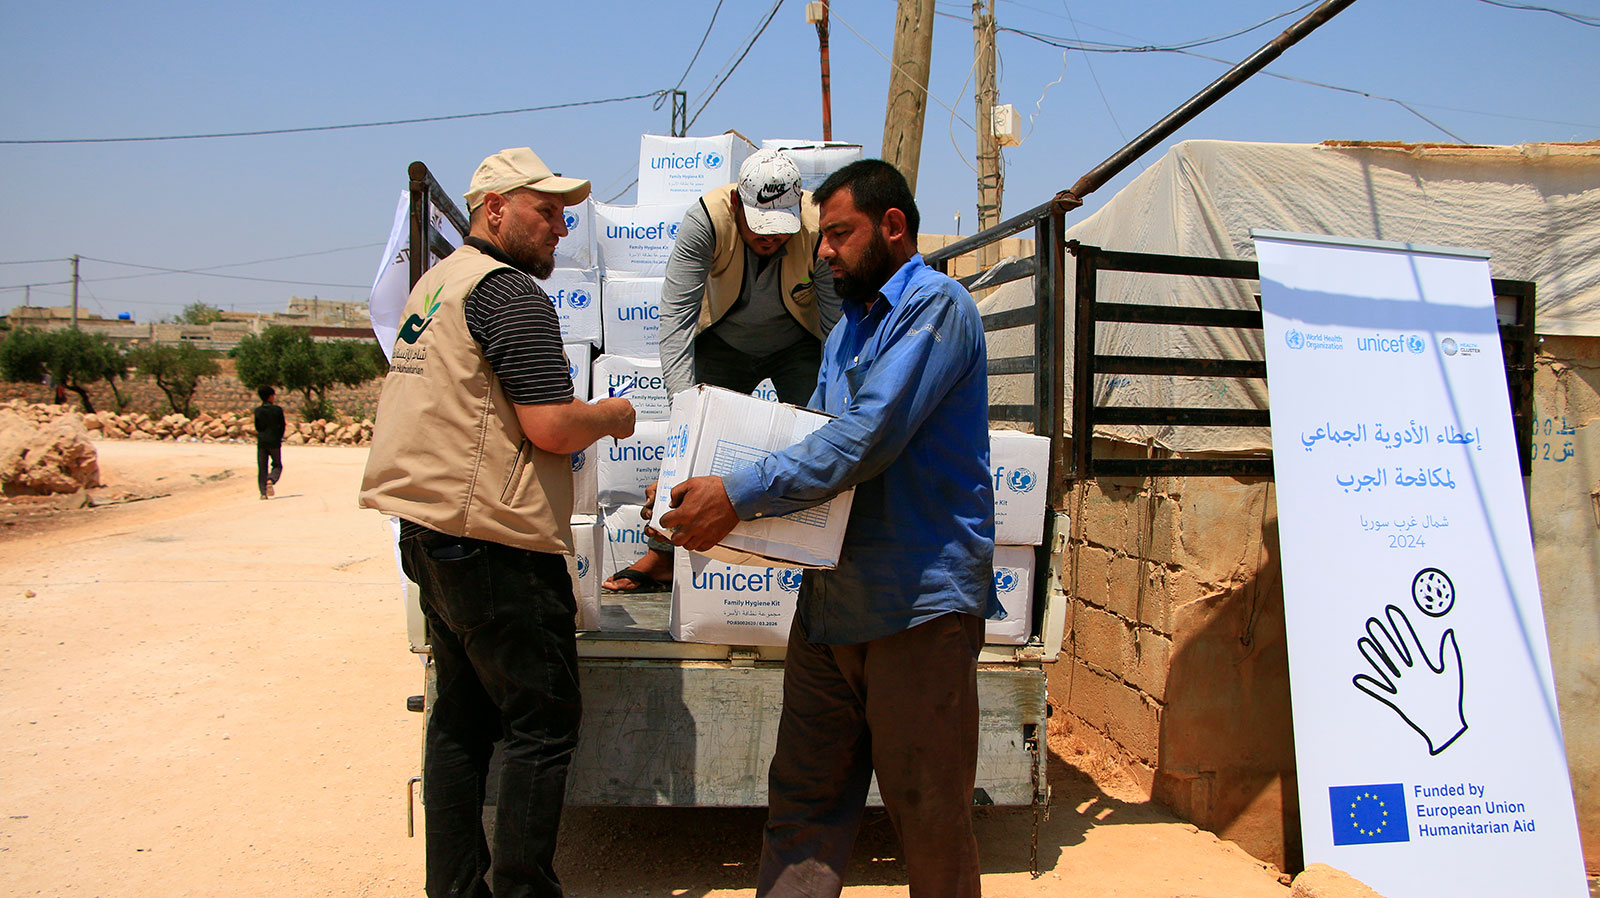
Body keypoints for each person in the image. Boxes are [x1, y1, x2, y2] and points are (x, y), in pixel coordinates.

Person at [659, 159, 997, 897]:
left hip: (917, 608)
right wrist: (708, 491)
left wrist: (739, 495)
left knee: (930, 818)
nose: (826, 253)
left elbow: (864, 440)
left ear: (893, 226)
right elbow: (807, 431)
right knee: (802, 807)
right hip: (831, 605)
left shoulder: (935, 308)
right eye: (825, 237)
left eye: (840, 235)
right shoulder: (848, 326)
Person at [358, 146, 636, 898]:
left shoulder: (435, 286)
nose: (561, 226)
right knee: (541, 724)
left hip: (429, 530)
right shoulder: (509, 293)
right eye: (544, 211)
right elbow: (549, 426)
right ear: (494, 210)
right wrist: (611, 415)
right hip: (494, 543)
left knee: (460, 722)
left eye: (564, 213)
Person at [602, 148, 841, 593]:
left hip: (797, 345)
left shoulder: (815, 226)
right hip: (723, 341)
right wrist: (688, 415)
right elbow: (675, 324)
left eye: (780, 229)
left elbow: (835, 329)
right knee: (694, 449)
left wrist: (835, 406)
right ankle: (664, 557)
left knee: (816, 441)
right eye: (759, 228)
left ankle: (808, 555)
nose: (771, 239)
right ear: (737, 205)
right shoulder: (707, 220)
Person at [253, 385, 286, 499]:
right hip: (274, 441)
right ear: (270, 397)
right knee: (277, 465)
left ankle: (263, 493)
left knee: (262, 467)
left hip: (262, 441)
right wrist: (279, 437)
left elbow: (257, 426)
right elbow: (282, 426)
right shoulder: (277, 410)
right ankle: (271, 479)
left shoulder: (258, 411)